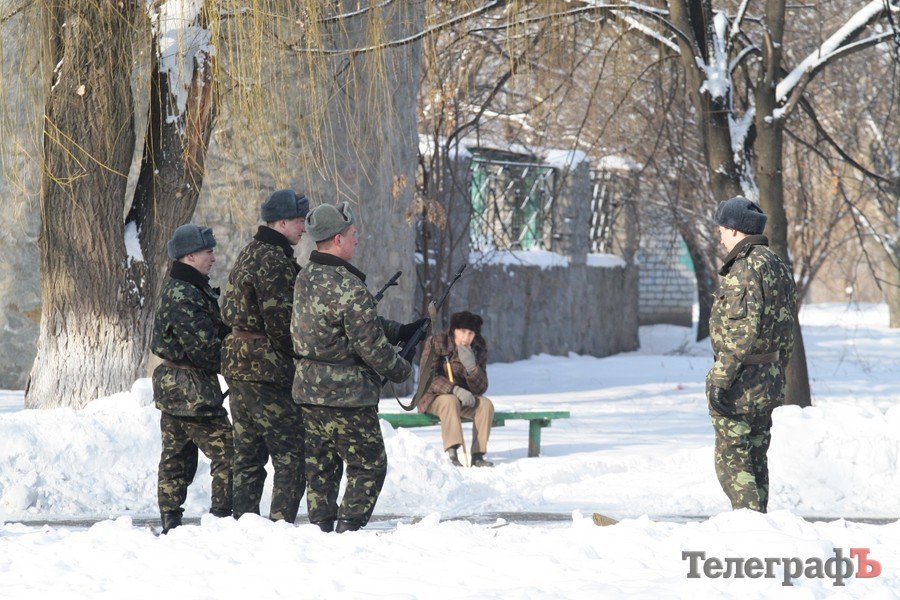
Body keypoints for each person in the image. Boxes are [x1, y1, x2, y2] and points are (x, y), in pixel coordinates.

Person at [291, 202, 422, 533]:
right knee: (368, 465)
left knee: (321, 466)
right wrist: (402, 369)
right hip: (347, 395)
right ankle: (348, 530)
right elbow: (370, 345)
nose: (357, 240)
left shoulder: (305, 277)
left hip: (309, 389)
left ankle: (321, 528)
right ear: (337, 240)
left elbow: (339, 321)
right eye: (352, 234)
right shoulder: (349, 286)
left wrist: (398, 331)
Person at [221, 189, 308, 522]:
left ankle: (244, 524)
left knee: (248, 452)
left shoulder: (252, 251)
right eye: (299, 220)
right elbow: (281, 322)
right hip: (265, 368)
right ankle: (280, 525)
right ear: (282, 222)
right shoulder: (273, 258)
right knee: (292, 452)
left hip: (240, 364)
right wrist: (300, 357)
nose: (304, 227)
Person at [706, 196, 797, 513]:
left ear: (734, 230)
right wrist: (778, 373)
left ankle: (749, 528)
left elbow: (743, 330)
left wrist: (720, 378)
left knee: (735, 459)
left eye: (721, 228)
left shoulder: (745, 269)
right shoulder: (776, 265)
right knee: (756, 456)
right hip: (767, 377)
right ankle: (759, 522)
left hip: (742, 381)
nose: (719, 235)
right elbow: (787, 329)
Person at [151, 224, 233, 534]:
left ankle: (171, 521)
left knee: (177, 455)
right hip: (191, 390)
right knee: (230, 453)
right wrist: (239, 365)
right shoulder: (185, 293)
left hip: (177, 387)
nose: (213, 256)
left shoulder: (189, 286)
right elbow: (204, 349)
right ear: (190, 256)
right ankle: (222, 519)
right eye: (208, 251)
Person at [418, 311, 495, 467]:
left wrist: (472, 369)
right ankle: (452, 453)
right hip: (435, 397)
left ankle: (478, 455)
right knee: (449, 400)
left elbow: (482, 387)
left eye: (471, 333)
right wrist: (454, 390)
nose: (467, 337)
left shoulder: (479, 348)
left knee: (485, 404)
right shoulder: (438, 342)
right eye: (463, 332)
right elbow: (427, 378)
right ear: (454, 330)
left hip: (465, 400)